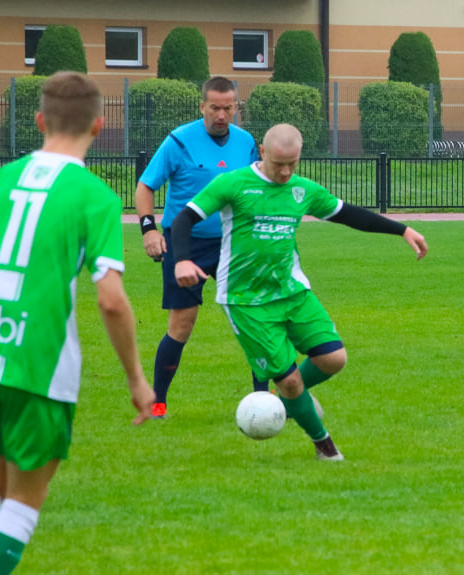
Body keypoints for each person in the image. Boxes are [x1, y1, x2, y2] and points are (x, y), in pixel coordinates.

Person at [0, 71, 154, 574]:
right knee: (21, 505)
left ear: (39, 121)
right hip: (37, 362)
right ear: (99, 127)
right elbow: (112, 301)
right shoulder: (93, 194)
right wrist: (137, 379)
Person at [171, 123, 428, 461]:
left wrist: (402, 230)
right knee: (290, 382)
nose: (286, 171)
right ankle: (325, 447)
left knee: (334, 359)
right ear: (262, 152)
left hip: (293, 292)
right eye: (279, 164)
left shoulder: (302, 189)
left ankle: (289, 400)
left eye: (293, 163)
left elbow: (348, 215)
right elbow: (183, 219)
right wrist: (182, 261)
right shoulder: (233, 183)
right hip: (246, 300)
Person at [135, 76, 259, 419]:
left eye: (228, 108)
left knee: (254, 318)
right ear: (202, 106)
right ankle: (158, 403)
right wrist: (149, 230)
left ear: (236, 108)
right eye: (215, 107)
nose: (222, 115)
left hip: (233, 242)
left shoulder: (246, 142)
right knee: (182, 326)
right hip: (184, 243)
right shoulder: (179, 140)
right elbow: (145, 187)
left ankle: (264, 400)